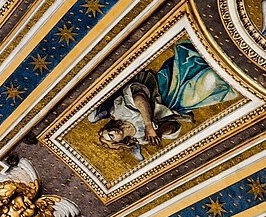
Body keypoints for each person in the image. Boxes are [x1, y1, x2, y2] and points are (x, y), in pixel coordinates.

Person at [90, 41, 236, 159]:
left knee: (191, 64)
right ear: (118, 142)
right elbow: (174, 126)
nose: (112, 132)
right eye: (111, 136)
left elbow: (139, 96)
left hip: (161, 90)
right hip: (176, 105)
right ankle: (229, 67)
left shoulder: (119, 112)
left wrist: (148, 124)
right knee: (207, 85)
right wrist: (159, 132)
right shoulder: (142, 138)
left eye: (108, 131)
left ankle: (215, 49)